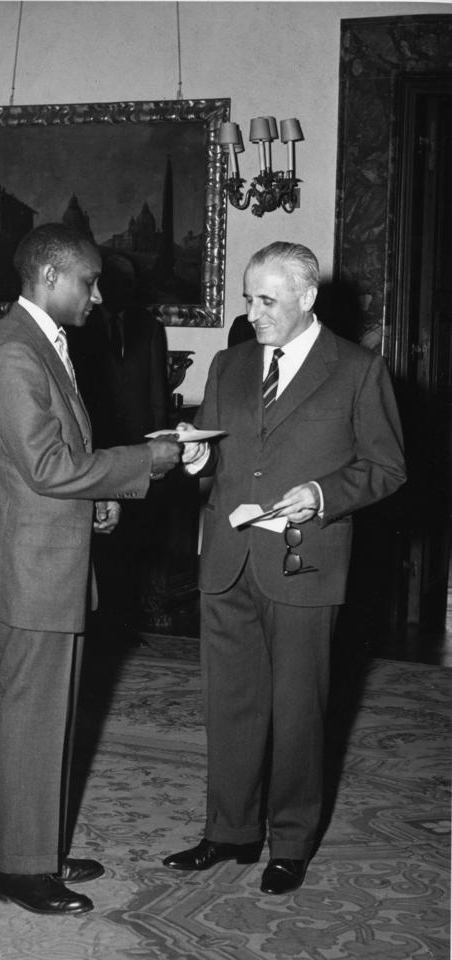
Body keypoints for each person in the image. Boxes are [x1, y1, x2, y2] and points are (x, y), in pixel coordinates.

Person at [163, 241, 406, 894]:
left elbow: (385, 468)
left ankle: (290, 841)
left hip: (304, 561)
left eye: (265, 300)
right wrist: (192, 459)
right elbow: (211, 453)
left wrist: (323, 494)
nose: (252, 311)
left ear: (305, 299)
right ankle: (229, 830)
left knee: (299, 709)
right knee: (230, 703)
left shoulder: (355, 370)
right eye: (247, 297)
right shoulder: (229, 363)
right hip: (227, 558)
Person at [0, 222, 182, 915]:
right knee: (33, 717)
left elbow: (49, 466)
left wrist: (93, 500)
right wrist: (141, 462)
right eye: (89, 282)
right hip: (34, 566)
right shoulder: (12, 354)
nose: (96, 295)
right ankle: (19, 870)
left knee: (53, 713)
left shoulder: (41, 343)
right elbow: (45, 465)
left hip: (52, 552)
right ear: (50, 276)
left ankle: (40, 851)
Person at [68, 252, 169, 642]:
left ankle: (140, 609)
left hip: (142, 449)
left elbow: (157, 390)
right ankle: (107, 616)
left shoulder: (149, 326)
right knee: (103, 538)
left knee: (138, 536)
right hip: (100, 450)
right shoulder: (81, 326)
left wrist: (158, 439)